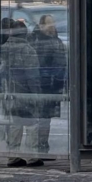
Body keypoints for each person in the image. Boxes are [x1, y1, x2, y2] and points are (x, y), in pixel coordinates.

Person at [0, 20, 41, 168]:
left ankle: (13, 156)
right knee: (32, 124)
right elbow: (32, 76)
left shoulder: (2, 48)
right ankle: (32, 157)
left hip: (8, 93)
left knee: (14, 124)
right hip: (25, 92)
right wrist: (36, 95)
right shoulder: (27, 50)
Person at [28, 14, 66, 166]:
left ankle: (42, 147)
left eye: (53, 23)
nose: (52, 27)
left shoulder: (55, 41)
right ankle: (36, 149)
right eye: (49, 24)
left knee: (46, 118)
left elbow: (62, 64)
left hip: (51, 85)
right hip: (40, 85)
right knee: (37, 118)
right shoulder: (36, 41)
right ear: (41, 26)